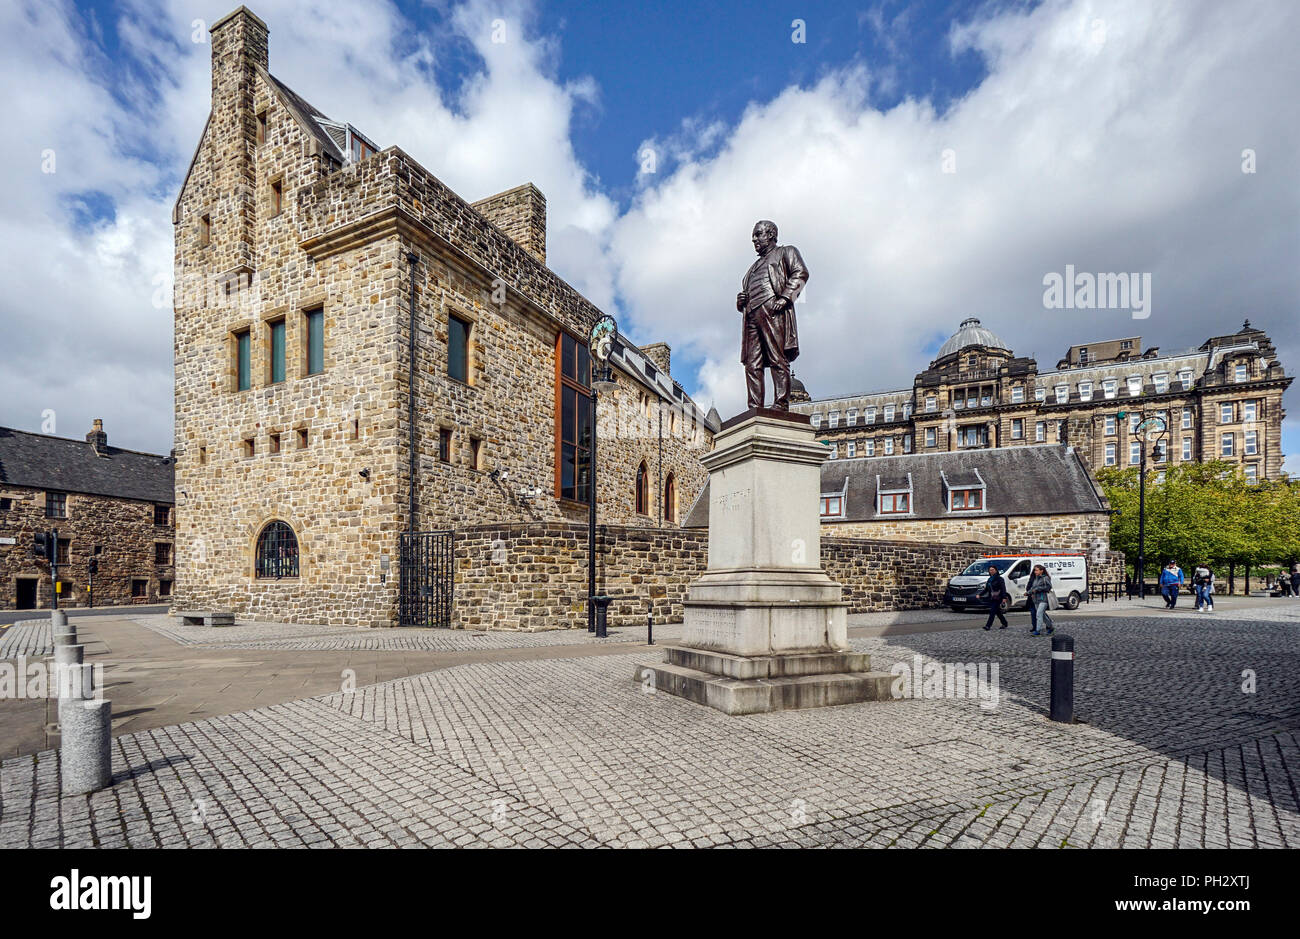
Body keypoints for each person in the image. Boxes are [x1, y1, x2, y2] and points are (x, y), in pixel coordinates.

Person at [1026, 564, 1056, 636]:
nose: (1035, 572)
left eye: (1036, 570)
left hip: (1043, 599)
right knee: (1042, 615)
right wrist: (1028, 592)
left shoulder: (1045, 578)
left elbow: (1048, 587)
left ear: (1041, 571)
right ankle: (1051, 627)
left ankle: (1038, 631)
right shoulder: (1035, 579)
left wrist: (1037, 589)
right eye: (1034, 570)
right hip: (1036, 599)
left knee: (1039, 614)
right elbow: (1033, 588)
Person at [979, 564, 1009, 630]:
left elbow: (1003, 588)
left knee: (992, 611)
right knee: (997, 612)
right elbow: (986, 589)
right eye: (990, 570)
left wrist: (1004, 597)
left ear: (996, 570)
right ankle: (1005, 623)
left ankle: (988, 626)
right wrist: (980, 594)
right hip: (992, 597)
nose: (991, 571)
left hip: (998, 597)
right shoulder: (989, 579)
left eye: (992, 570)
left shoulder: (1000, 579)